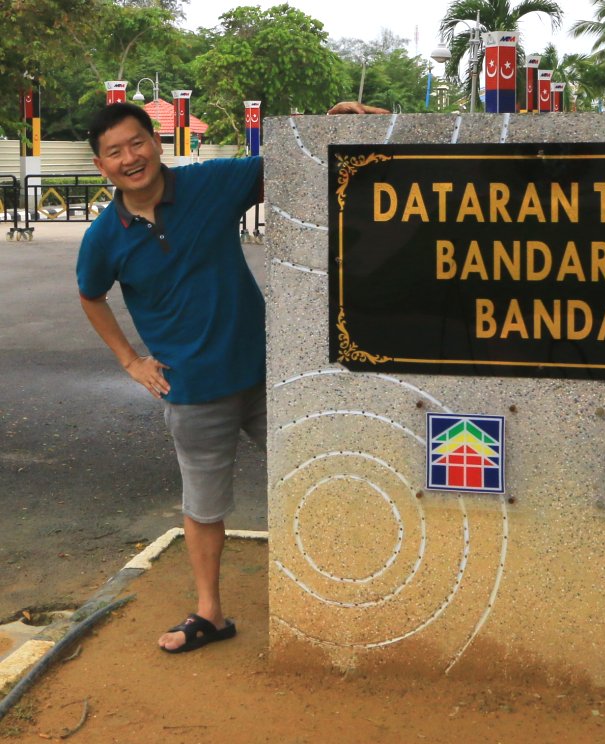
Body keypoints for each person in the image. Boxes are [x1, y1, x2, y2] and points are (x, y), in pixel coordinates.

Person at [77, 100, 386, 653]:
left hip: (270, 374)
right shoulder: (104, 238)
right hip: (191, 390)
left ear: (157, 141)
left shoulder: (210, 184)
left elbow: (292, 163)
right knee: (203, 507)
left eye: (137, 142)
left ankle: (356, 594)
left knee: (325, 477)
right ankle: (210, 614)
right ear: (102, 165)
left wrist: (334, 121)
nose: (130, 157)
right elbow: (90, 295)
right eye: (115, 152)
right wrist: (131, 360)